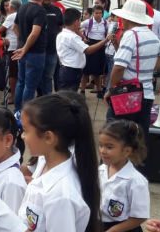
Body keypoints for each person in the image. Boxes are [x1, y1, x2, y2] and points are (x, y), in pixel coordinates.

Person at [20, 92, 100, 232]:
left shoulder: (61, 196)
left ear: (48, 138)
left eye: (26, 131)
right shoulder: (46, 160)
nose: (22, 136)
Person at [105, 0, 160, 140]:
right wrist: (151, 66)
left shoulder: (131, 35)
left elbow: (118, 68)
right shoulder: (152, 36)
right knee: (139, 141)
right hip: (146, 95)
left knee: (115, 137)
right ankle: (138, 162)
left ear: (126, 18)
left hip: (128, 95)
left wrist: (111, 91)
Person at [99, 120, 149, 232]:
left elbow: (140, 216)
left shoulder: (135, 181)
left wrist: (113, 230)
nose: (102, 151)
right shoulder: (99, 171)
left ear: (127, 151)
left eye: (109, 147)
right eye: (101, 145)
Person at [12, 0, 48, 111]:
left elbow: (15, 27)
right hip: (35, 53)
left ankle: (17, 111)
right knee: (30, 86)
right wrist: (25, 47)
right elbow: (35, 32)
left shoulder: (22, 7)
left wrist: (21, 43)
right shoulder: (40, 11)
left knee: (21, 82)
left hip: (23, 51)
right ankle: (25, 115)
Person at [56, 8, 111, 92]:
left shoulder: (61, 34)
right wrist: (106, 40)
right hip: (71, 72)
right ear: (76, 22)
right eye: (79, 20)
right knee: (69, 96)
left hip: (66, 69)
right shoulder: (72, 37)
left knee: (67, 95)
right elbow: (88, 50)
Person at [37, 0, 63, 96]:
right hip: (37, 50)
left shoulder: (56, 10)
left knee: (48, 76)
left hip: (52, 50)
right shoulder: (36, 9)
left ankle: (47, 97)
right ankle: (39, 95)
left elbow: (61, 26)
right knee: (38, 76)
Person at [80, 4, 108, 97]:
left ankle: (99, 90)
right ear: (93, 13)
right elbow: (77, 28)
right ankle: (82, 91)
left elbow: (107, 33)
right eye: (96, 13)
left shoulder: (105, 23)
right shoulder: (88, 22)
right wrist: (83, 37)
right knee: (85, 71)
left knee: (98, 72)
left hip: (100, 47)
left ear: (102, 14)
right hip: (90, 45)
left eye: (100, 13)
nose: (98, 15)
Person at [0, 0, 21, 104]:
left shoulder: (12, 16)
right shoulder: (22, 14)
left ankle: (13, 96)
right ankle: (17, 94)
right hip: (21, 46)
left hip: (12, 46)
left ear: (11, 7)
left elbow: (1, 30)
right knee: (18, 72)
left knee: (12, 73)